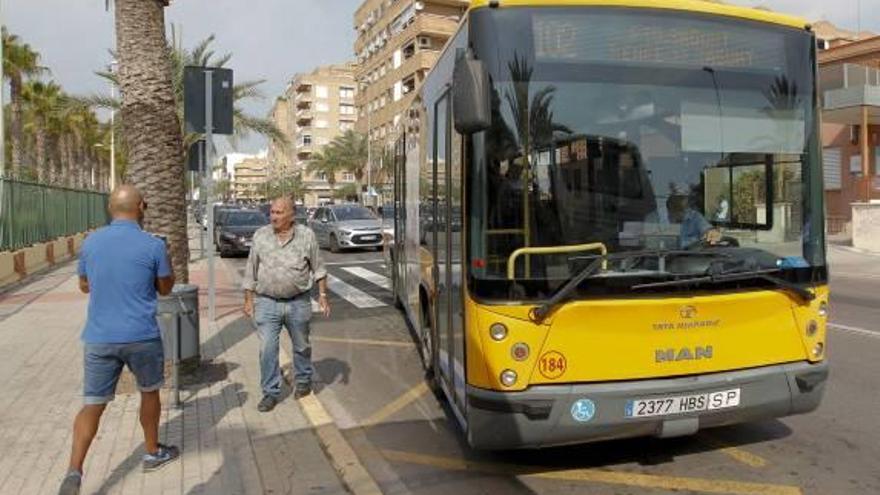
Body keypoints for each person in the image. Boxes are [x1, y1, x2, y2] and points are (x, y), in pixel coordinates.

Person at [58, 185, 179, 495]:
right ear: (141, 207)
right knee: (149, 392)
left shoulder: (90, 243)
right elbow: (165, 288)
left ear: (111, 209)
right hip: (142, 336)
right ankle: (152, 452)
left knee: (93, 404)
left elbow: (85, 286)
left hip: (99, 337)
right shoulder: (152, 245)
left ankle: (74, 471)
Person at [242, 196, 330, 412]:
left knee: (301, 346)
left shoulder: (306, 236)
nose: (274, 217)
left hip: (298, 302)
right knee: (267, 349)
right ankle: (270, 392)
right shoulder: (261, 235)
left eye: (279, 213)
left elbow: (319, 268)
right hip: (267, 303)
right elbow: (250, 269)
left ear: (292, 215)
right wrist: (248, 300)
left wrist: (323, 295)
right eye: (272, 212)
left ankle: (303, 381)